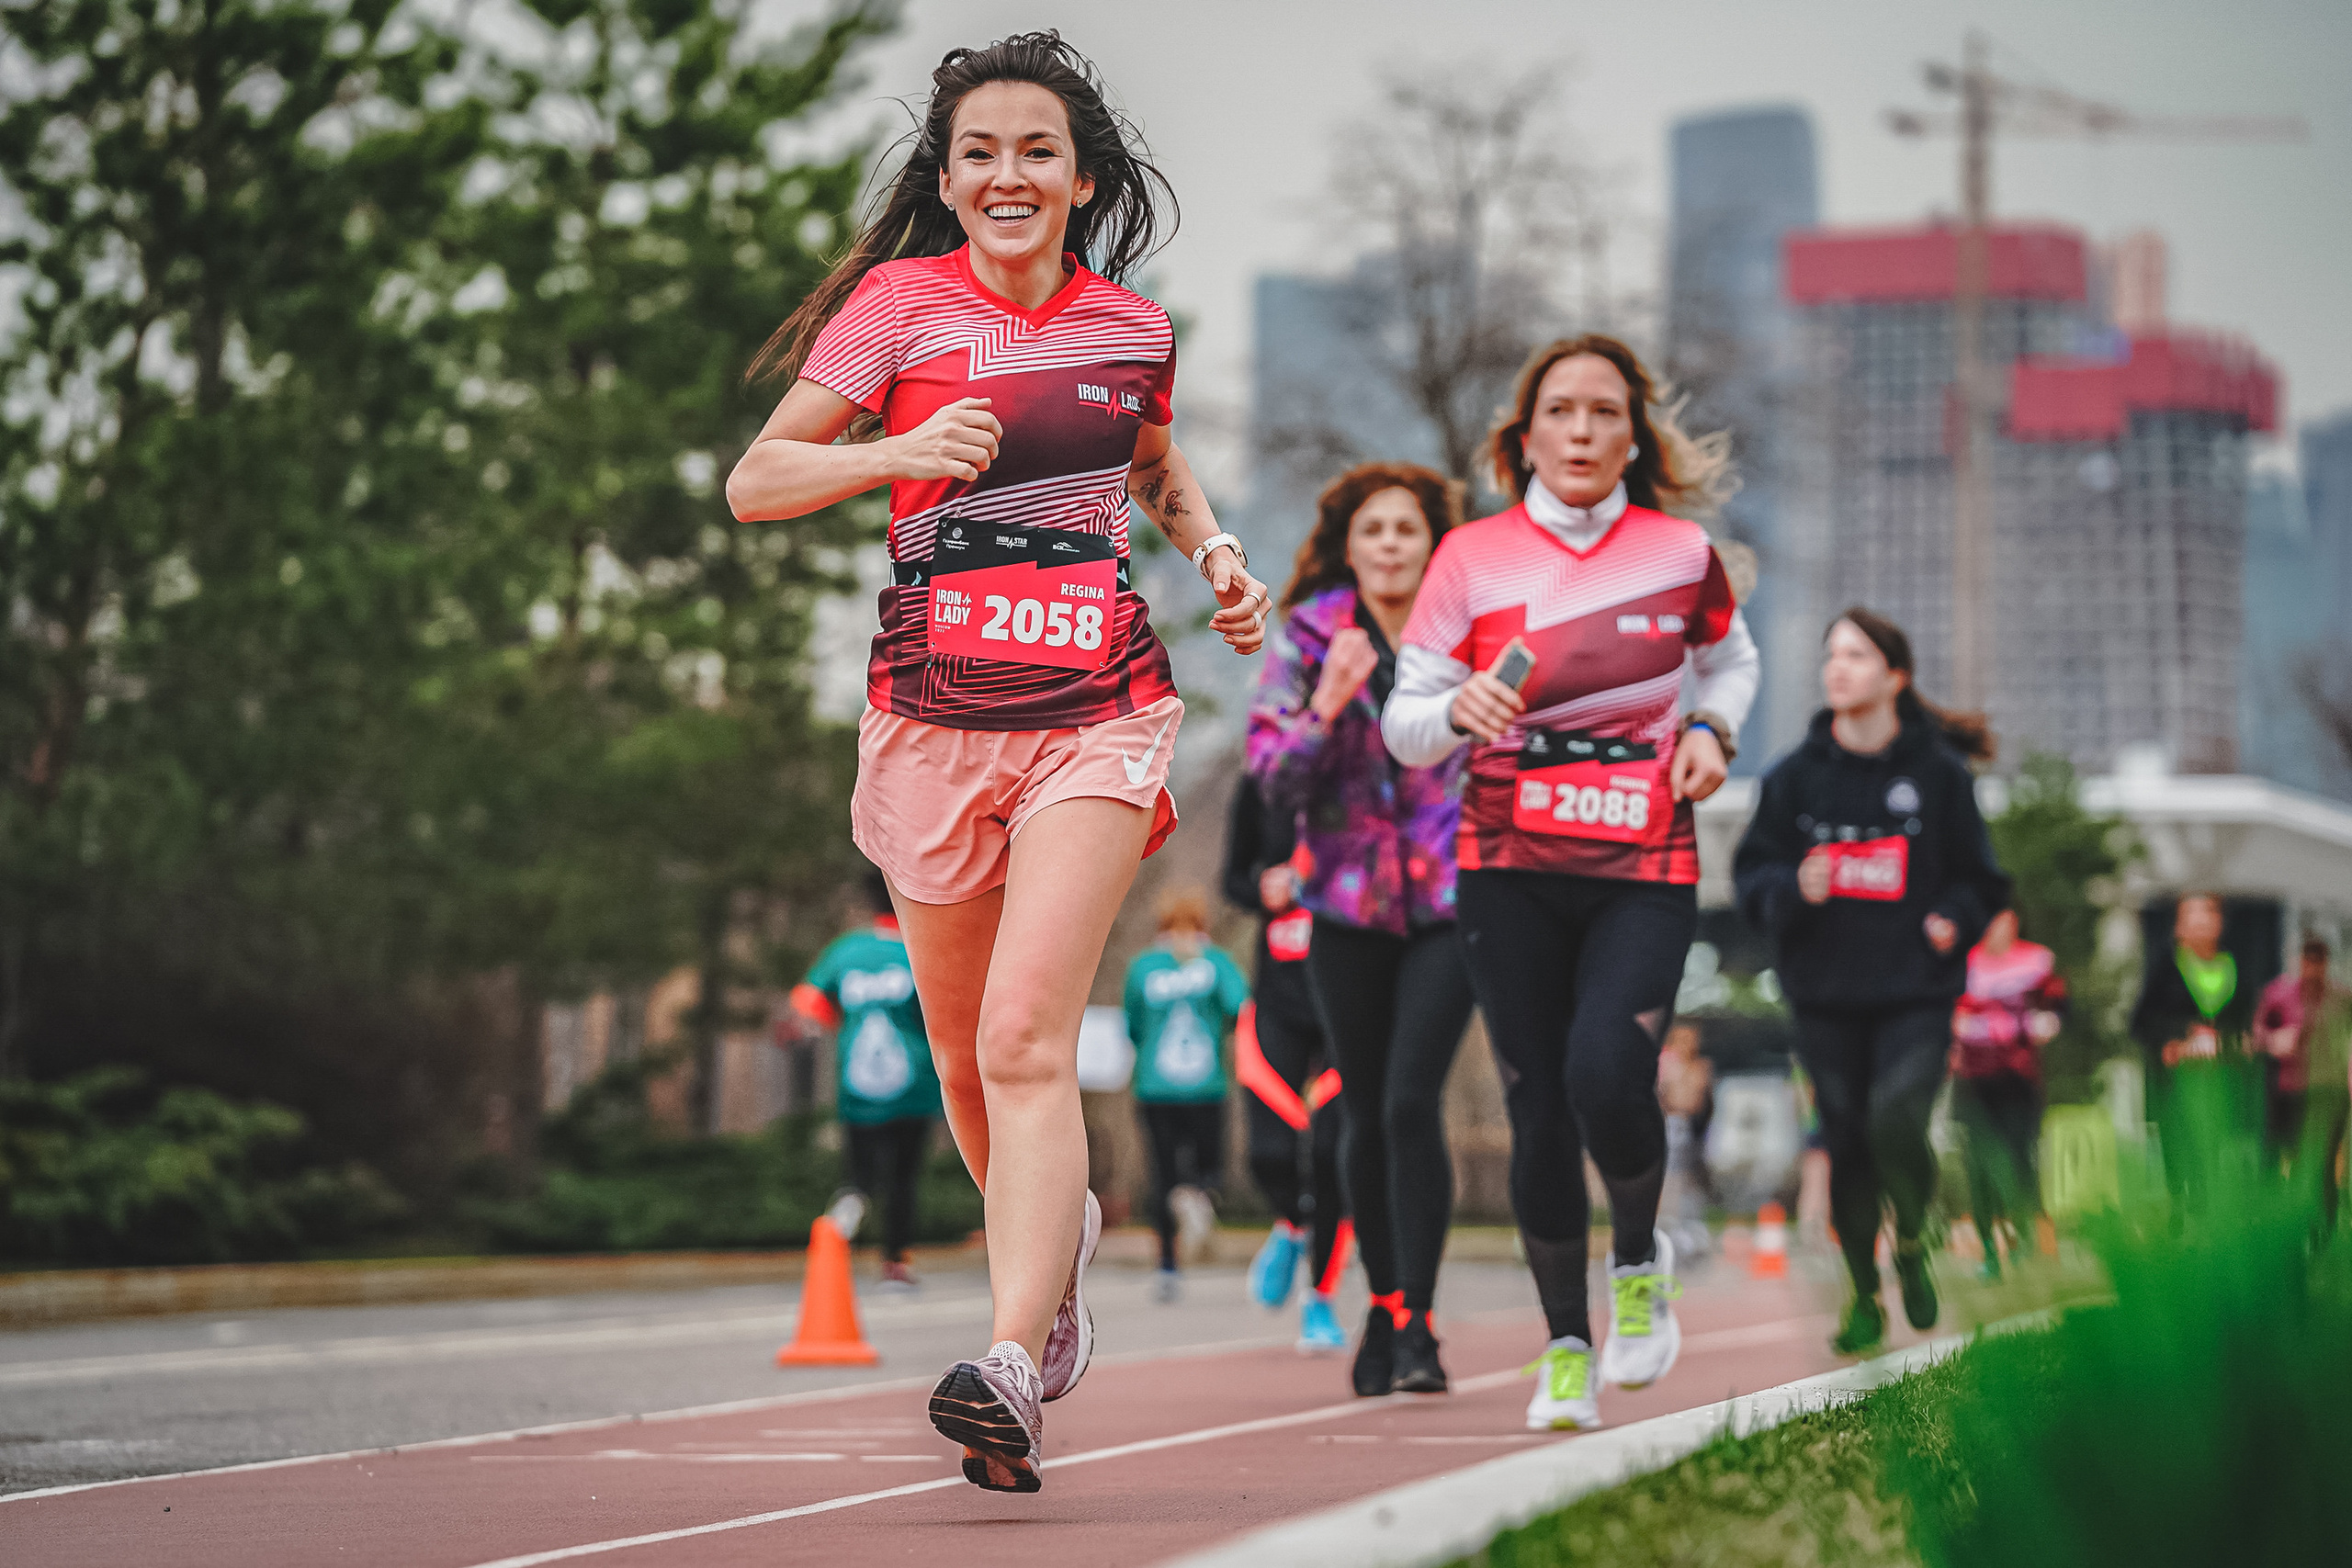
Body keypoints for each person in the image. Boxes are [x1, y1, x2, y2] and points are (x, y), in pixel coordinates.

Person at [726, 32, 1271, 1495]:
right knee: (968, 1055)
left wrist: (1211, 551)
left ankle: (1014, 1357)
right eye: (979, 151)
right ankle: (1063, 1264)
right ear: (950, 180)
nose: (1007, 173)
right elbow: (757, 478)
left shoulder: (1130, 328)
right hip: (929, 715)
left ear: (1081, 178)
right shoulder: (894, 307)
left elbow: (1146, 460)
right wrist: (893, 457)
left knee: (1030, 1033)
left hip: (1096, 702)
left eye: (1037, 149)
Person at [1383, 336, 1760, 1433]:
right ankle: (1563, 1347)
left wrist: (1711, 726)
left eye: (1605, 413)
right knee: (1537, 1107)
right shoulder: (1469, 561)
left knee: (1607, 1070)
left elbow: (1731, 661)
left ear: (1632, 435)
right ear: (1526, 436)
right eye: (1563, 412)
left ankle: (1637, 1263)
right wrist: (1455, 713)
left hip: (1642, 859)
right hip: (1506, 866)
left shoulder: (1680, 554)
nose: (1585, 432)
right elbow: (1405, 724)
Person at [1250, 461, 1476, 1398]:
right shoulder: (1307, 635)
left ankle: (1418, 1320)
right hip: (1343, 905)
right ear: (1349, 543)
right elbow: (1273, 779)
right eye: (1373, 529)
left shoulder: (1466, 631)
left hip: (1450, 903)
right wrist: (1326, 705)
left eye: (1407, 529)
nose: (1390, 543)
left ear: (1433, 542)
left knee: (1408, 1103)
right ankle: (1381, 1311)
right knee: (1361, 1113)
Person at [1733, 608, 2007, 1358]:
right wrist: (1793, 884)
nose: (1837, 667)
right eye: (1830, 655)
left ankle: (1914, 1242)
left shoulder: (1938, 776)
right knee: (1848, 1138)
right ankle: (1862, 1293)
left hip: (1916, 991)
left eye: (1856, 654)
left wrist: (1953, 916)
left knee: (1895, 1119)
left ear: (1895, 675)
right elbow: (1750, 873)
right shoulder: (1795, 777)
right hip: (1825, 993)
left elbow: (1982, 879)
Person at [1222, 775, 1350, 1351]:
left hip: (1346, 993)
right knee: (1269, 1151)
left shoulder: (1364, 779)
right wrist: (1261, 889)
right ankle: (1289, 1224)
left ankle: (1319, 1303)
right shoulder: (1260, 786)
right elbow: (1232, 879)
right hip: (1277, 994)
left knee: (1330, 1156)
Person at [789, 869, 943, 1292]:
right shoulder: (923, 949)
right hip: (915, 1085)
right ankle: (895, 1263)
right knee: (903, 1179)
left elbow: (806, 1012)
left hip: (857, 1087)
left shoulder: (846, 952)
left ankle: (846, 1216)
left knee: (860, 1171)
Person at [1123, 886, 1250, 1302]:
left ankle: (1167, 1265)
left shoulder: (1143, 966)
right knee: (1210, 1164)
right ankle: (1197, 1191)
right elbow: (1240, 1009)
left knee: (1161, 1175)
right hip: (1207, 1085)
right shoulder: (1216, 962)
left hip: (1154, 1087)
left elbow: (1133, 1026)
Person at [1948, 908, 2066, 1280]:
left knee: (2020, 1159)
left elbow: (2060, 1007)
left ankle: (2024, 1238)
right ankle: (1988, 1248)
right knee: (1978, 1164)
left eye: (2004, 920)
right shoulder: (1958, 967)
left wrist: (2048, 1024)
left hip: (2019, 1078)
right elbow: (1939, 1014)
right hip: (1973, 1081)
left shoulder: (2037, 962)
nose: (1998, 929)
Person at [2129, 893, 2255, 1217]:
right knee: (2182, 1159)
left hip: (2223, 1082)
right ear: (2179, 926)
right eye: (2192, 916)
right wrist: (2182, 1036)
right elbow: (2141, 1023)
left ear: (2219, 922)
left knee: (2219, 1155)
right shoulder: (2166, 968)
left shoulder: (2234, 967)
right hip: (2177, 1086)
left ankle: (2218, 1220)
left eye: (2208, 914)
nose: (2201, 922)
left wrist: (2232, 1042)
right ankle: (2183, 1219)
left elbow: (2248, 1025)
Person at [2254, 937, 2336, 1174]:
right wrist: (2273, 1041)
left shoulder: (2338, 998)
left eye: (2318, 961)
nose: (2312, 967)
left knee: (2317, 1157)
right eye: (2307, 960)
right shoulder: (2276, 994)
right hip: (2283, 1087)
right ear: (2298, 961)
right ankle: (2271, 1201)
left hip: (2322, 1088)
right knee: (2274, 1150)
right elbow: (2257, 1033)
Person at [1657, 1023, 1715, 1262]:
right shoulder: (1668, 1067)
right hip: (1674, 1127)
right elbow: (1671, 1098)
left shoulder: (1700, 1067)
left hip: (1695, 1130)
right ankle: (1669, 1235)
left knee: (1690, 1184)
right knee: (1672, 1183)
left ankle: (1689, 1233)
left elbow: (1699, 1098)